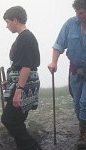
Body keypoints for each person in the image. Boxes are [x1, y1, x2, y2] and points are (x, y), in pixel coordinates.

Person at [1, 6, 41, 150]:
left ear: (15, 20)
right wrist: (10, 80)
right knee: (17, 121)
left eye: (7, 22)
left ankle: (33, 147)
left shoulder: (26, 38)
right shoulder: (23, 37)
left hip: (24, 85)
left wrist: (18, 90)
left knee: (9, 119)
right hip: (22, 82)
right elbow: (20, 66)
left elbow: (26, 66)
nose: (6, 26)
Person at [48, 0, 86, 149]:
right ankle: (83, 127)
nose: (78, 15)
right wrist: (54, 62)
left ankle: (83, 133)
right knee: (77, 104)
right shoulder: (70, 24)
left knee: (84, 103)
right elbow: (59, 44)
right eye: (76, 12)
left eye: (81, 12)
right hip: (75, 72)